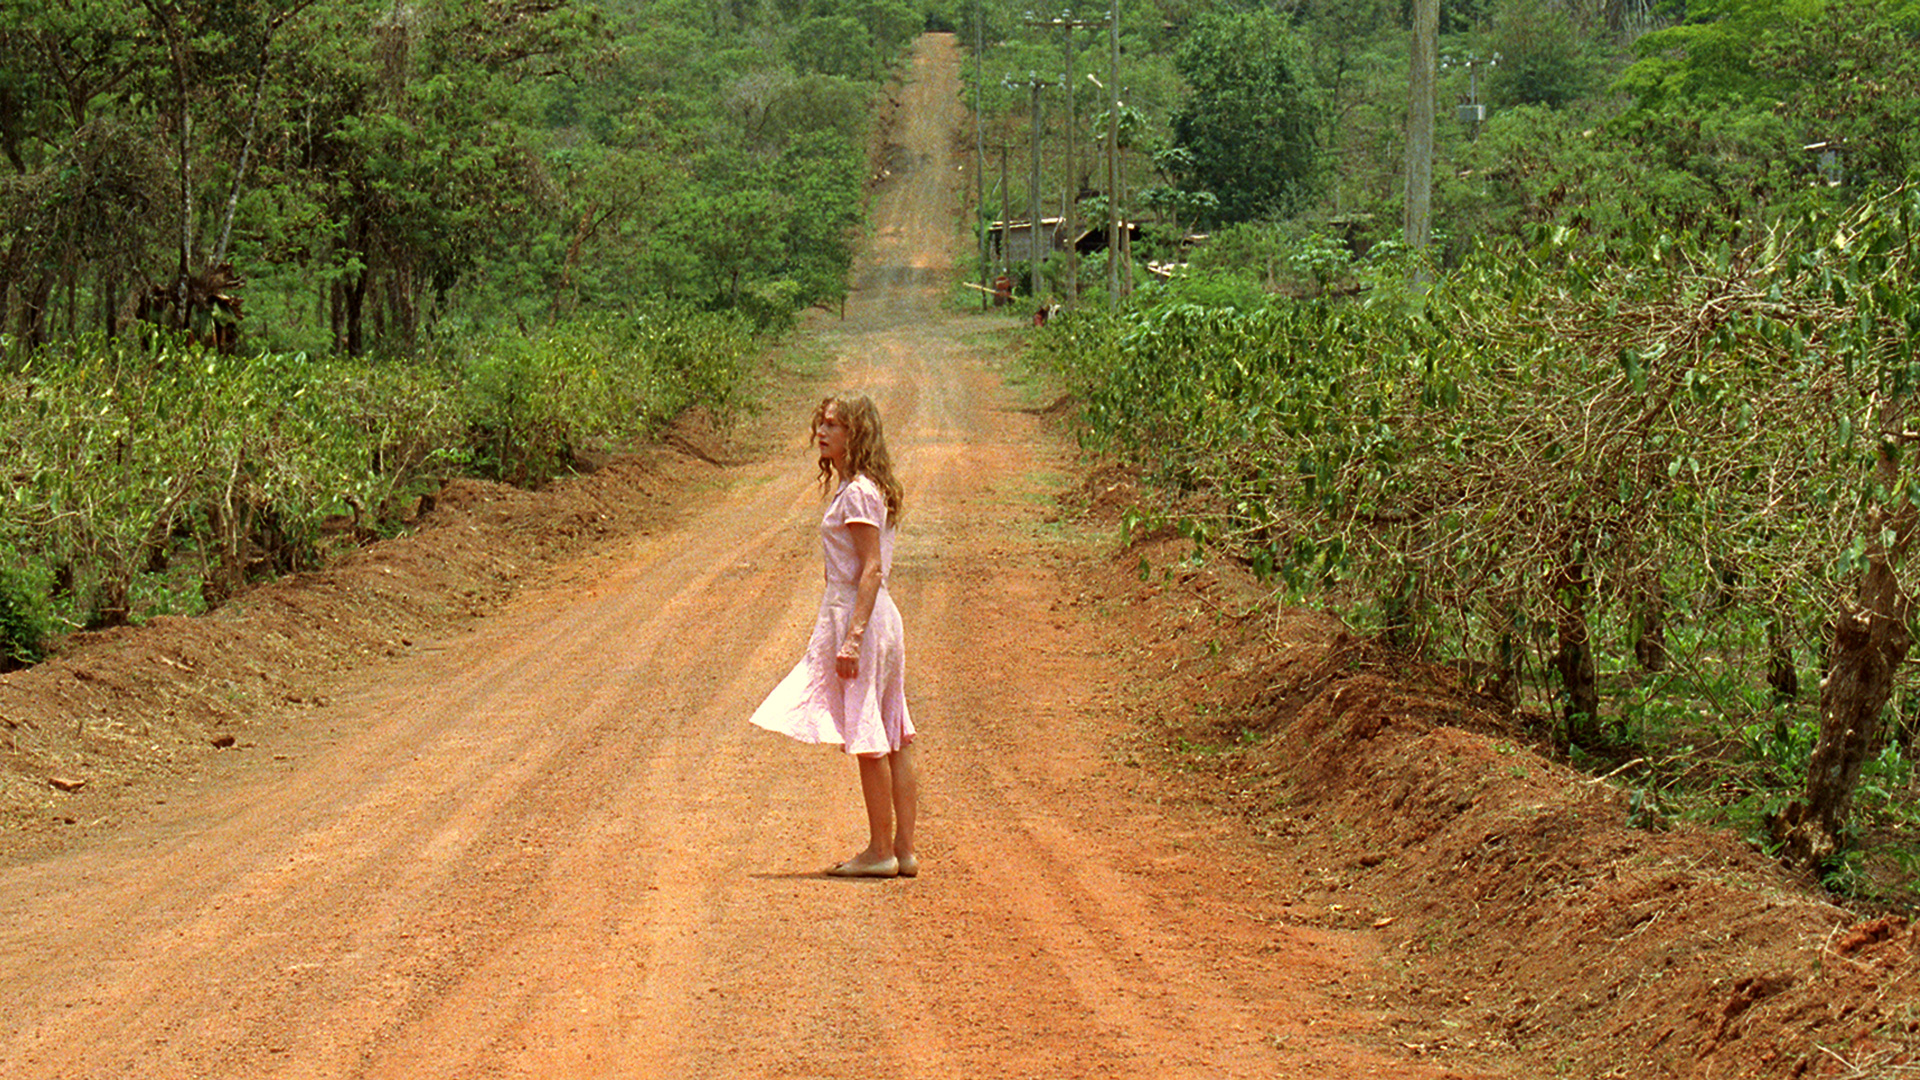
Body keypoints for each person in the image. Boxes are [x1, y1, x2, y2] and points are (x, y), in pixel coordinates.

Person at [749, 393, 920, 878]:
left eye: (834, 426)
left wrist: (851, 637)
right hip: (874, 618)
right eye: (821, 424)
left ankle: (881, 851)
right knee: (893, 733)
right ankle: (902, 852)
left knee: (873, 736)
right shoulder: (860, 487)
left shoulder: (861, 491)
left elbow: (870, 570)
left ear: (856, 433)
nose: (823, 433)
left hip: (861, 616)